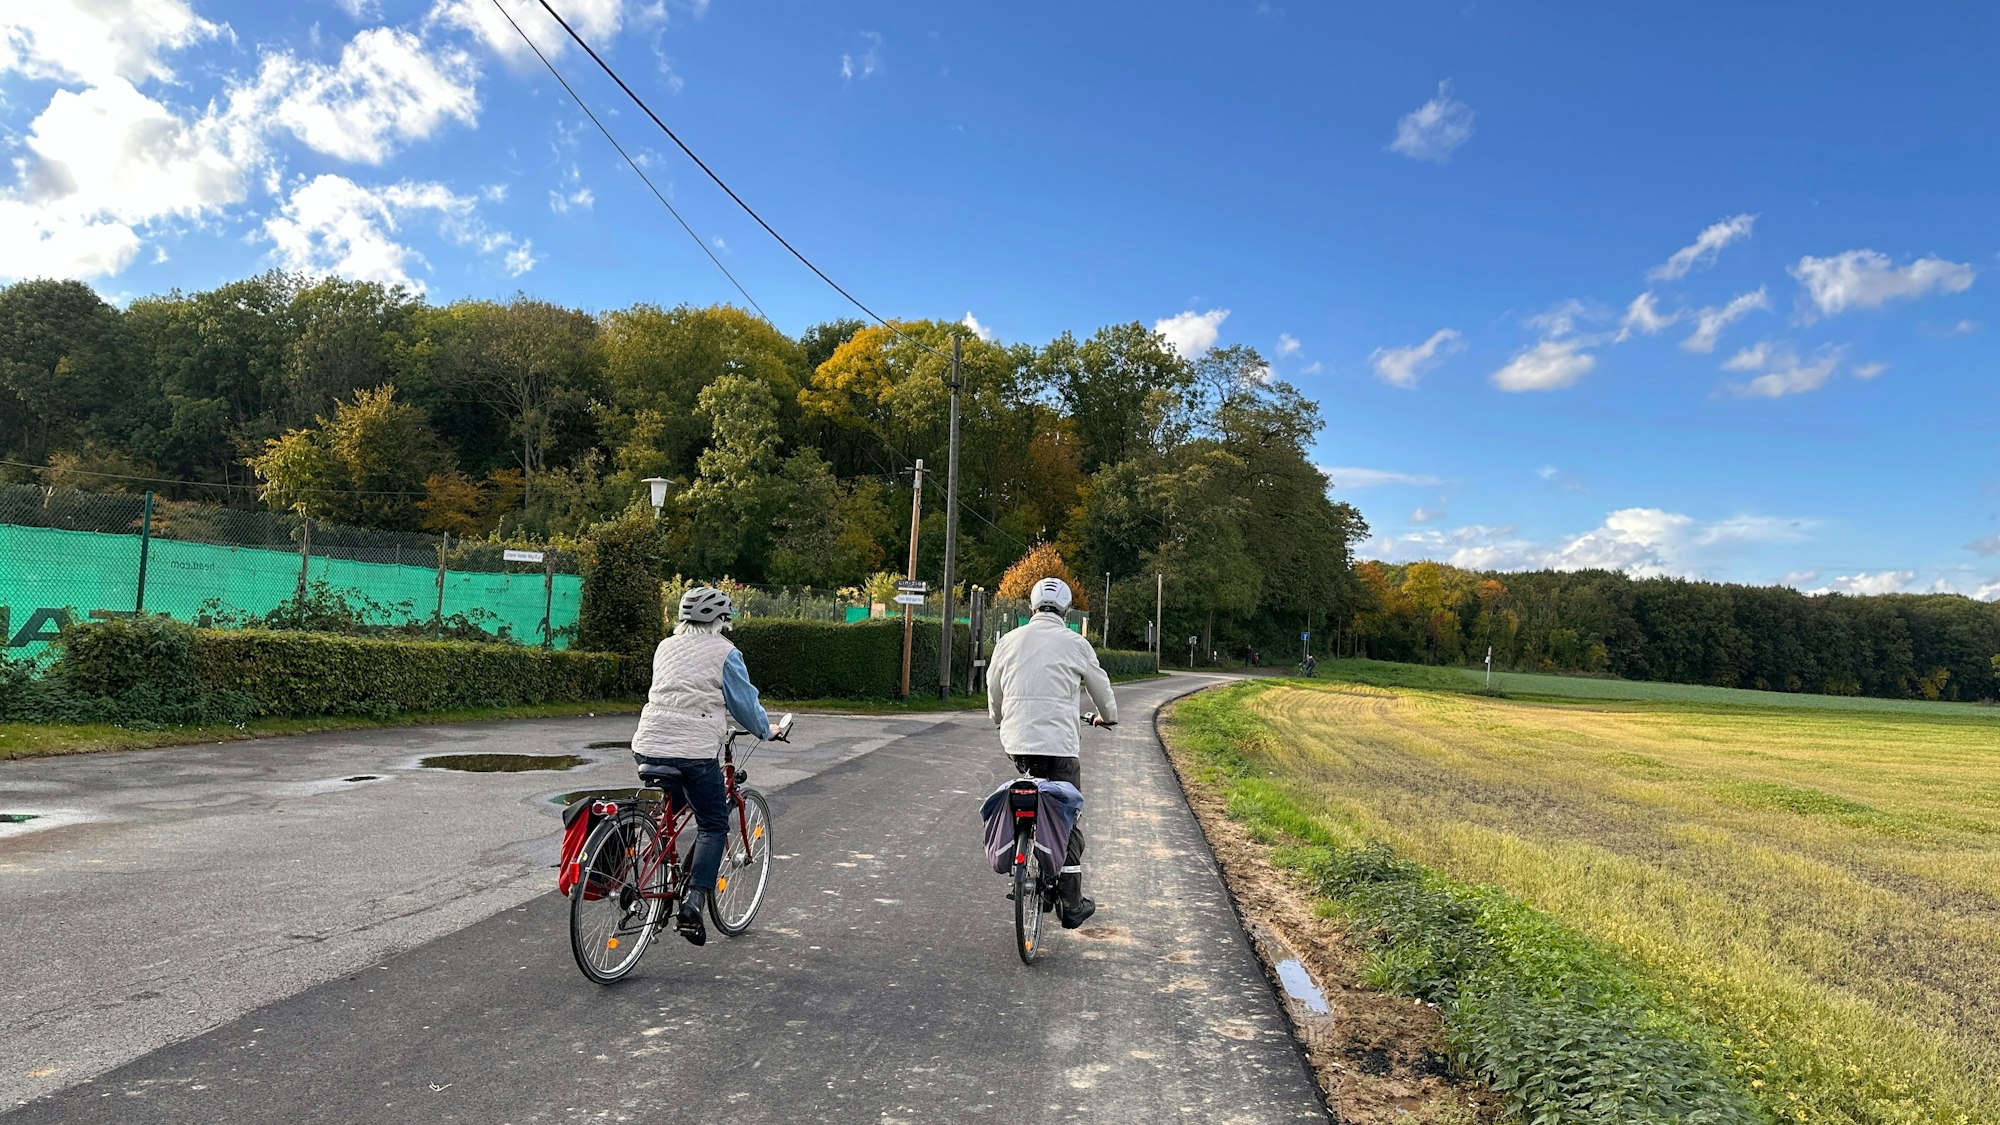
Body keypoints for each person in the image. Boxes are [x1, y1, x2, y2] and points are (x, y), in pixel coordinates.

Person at [628, 586, 773, 946]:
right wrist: (766, 730)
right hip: (693, 752)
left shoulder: (665, 646)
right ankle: (692, 903)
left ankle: (651, 863)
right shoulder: (726, 652)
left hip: (647, 745)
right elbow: (743, 704)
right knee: (712, 823)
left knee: (675, 806)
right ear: (721, 620)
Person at [986, 577, 1118, 929]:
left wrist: (999, 718)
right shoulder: (1076, 643)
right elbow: (1100, 687)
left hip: (1017, 743)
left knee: (1026, 792)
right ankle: (1071, 904)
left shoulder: (1008, 641)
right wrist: (1110, 715)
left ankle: (1021, 859)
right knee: (1067, 815)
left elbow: (993, 688)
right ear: (1066, 609)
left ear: (1031, 606)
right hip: (1059, 748)